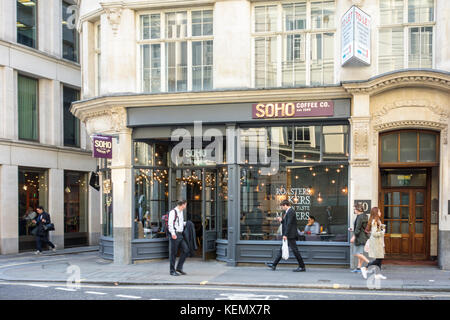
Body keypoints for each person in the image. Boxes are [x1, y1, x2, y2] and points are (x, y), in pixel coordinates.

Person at [265, 200, 306, 272]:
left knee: (295, 250)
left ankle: (302, 266)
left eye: (282, 206)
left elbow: (289, 224)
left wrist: (285, 235)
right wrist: (281, 220)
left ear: (285, 205)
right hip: (289, 235)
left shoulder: (291, 212)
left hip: (290, 235)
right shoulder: (288, 212)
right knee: (282, 250)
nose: (282, 208)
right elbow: (286, 223)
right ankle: (274, 265)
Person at [361, 207, 387, 280]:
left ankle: (377, 274)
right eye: (379, 211)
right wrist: (382, 232)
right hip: (376, 242)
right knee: (379, 259)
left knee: (380, 258)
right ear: (376, 213)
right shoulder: (375, 221)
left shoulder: (377, 220)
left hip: (378, 242)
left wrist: (381, 229)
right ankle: (365, 268)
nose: (380, 212)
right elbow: (375, 233)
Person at [168, 200, 190, 276]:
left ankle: (179, 268)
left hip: (180, 234)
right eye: (185, 204)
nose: (186, 206)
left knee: (186, 250)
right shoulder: (173, 212)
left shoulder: (181, 212)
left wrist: (186, 223)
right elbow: (170, 224)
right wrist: (173, 234)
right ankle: (172, 271)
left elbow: (180, 223)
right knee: (173, 253)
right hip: (175, 234)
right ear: (182, 205)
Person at [349, 203, 370, 273]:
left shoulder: (360, 217)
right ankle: (358, 268)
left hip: (360, 237)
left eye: (354, 209)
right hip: (363, 237)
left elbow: (358, 228)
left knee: (355, 253)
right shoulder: (364, 216)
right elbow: (361, 227)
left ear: (358, 209)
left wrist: (353, 237)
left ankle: (370, 263)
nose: (354, 210)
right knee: (360, 253)